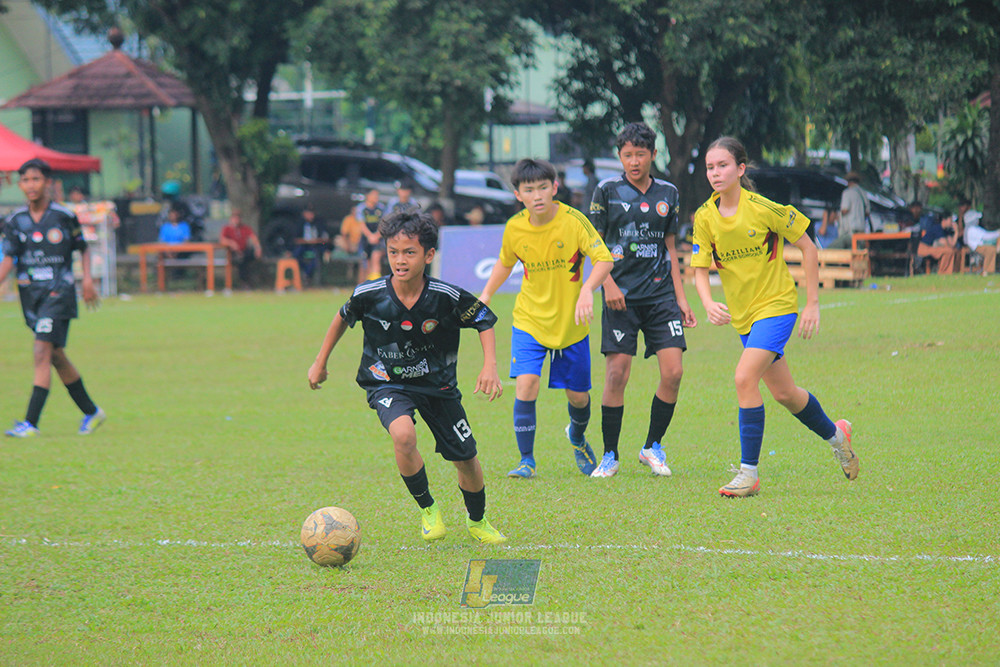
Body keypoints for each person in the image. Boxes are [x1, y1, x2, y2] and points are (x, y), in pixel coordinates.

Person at [307, 209, 506, 544]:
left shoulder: (446, 296)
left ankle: (477, 521)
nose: (400, 260)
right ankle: (428, 510)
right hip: (386, 381)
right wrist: (320, 362)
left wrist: (490, 366)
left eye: (409, 252)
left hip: (438, 386)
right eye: (393, 252)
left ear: (429, 255)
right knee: (403, 435)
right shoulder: (369, 294)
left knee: (467, 460)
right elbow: (342, 317)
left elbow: (483, 320)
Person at [691, 137, 859, 497]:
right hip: (745, 318)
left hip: (778, 306)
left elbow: (809, 247)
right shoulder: (705, 217)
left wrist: (812, 303)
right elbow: (700, 269)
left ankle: (749, 474)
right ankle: (836, 435)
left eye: (722, 165)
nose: (715, 173)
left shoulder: (763, 208)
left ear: (740, 169)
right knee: (785, 393)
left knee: (743, 378)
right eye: (709, 167)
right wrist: (707, 302)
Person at [479, 158, 614, 478]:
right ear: (518, 195)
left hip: (571, 323)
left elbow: (604, 259)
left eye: (543, 187)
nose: (537, 195)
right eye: (529, 190)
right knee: (526, 384)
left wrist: (587, 290)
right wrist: (485, 295)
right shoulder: (515, 227)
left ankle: (577, 437)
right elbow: (504, 262)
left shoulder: (573, 220)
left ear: (555, 188)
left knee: (578, 397)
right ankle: (526, 460)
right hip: (529, 320)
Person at [587, 121, 697, 478]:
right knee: (617, 374)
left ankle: (652, 446)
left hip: (661, 295)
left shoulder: (668, 192)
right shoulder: (606, 190)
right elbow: (594, 245)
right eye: (627, 155)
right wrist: (608, 286)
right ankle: (610, 455)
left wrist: (681, 297)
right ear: (620, 156)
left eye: (640, 154)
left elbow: (670, 248)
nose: (634, 161)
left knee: (674, 371)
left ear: (652, 154)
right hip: (620, 297)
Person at [0, 159, 106, 438]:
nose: (31, 185)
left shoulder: (63, 216)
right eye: (25, 180)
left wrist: (87, 279)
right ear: (20, 184)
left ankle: (30, 423)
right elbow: (9, 259)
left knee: (40, 352)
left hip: (59, 291)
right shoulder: (15, 220)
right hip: (30, 295)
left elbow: (82, 248)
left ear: (48, 183)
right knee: (56, 355)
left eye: (36, 179)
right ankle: (92, 412)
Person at [823, 172, 869, 248]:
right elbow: (867, 213)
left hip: (850, 232)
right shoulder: (864, 194)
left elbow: (845, 210)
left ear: (849, 182)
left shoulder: (847, 193)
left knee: (831, 249)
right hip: (861, 233)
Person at [219, 210, 263, 288]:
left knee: (246, 257)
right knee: (241, 260)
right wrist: (231, 243)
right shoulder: (227, 229)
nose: (236, 220)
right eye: (234, 218)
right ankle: (244, 283)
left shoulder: (244, 228)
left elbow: (253, 237)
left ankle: (250, 281)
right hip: (233, 253)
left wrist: (258, 248)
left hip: (244, 252)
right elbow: (222, 240)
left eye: (238, 218)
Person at [355, 189, 386, 283]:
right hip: (365, 239)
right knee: (365, 263)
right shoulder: (361, 208)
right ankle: (364, 286)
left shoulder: (381, 208)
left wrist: (376, 236)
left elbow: (384, 224)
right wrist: (370, 236)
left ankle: (376, 284)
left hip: (378, 239)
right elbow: (361, 225)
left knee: (376, 258)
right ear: (367, 196)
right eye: (374, 195)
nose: (376, 198)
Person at [959, 200, 998, 275]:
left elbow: (986, 234)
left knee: (991, 248)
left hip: (979, 245)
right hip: (976, 247)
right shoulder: (972, 229)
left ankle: (988, 270)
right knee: (991, 249)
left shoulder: (975, 228)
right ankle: (987, 270)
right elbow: (986, 237)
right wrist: (997, 233)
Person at [916, 206, 959, 274]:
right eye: (950, 220)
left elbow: (952, 244)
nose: (952, 223)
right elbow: (945, 243)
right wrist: (950, 245)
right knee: (949, 250)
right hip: (923, 248)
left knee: (951, 250)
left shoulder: (946, 231)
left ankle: (948, 272)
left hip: (931, 248)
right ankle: (942, 272)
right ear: (944, 220)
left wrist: (956, 232)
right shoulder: (937, 228)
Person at [293, 204, 329, 283]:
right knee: (296, 254)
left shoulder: (319, 223)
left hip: (315, 246)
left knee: (316, 257)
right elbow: (295, 238)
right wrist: (305, 241)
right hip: (304, 246)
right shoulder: (300, 223)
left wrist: (317, 241)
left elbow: (324, 238)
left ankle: (307, 274)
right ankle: (305, 272)